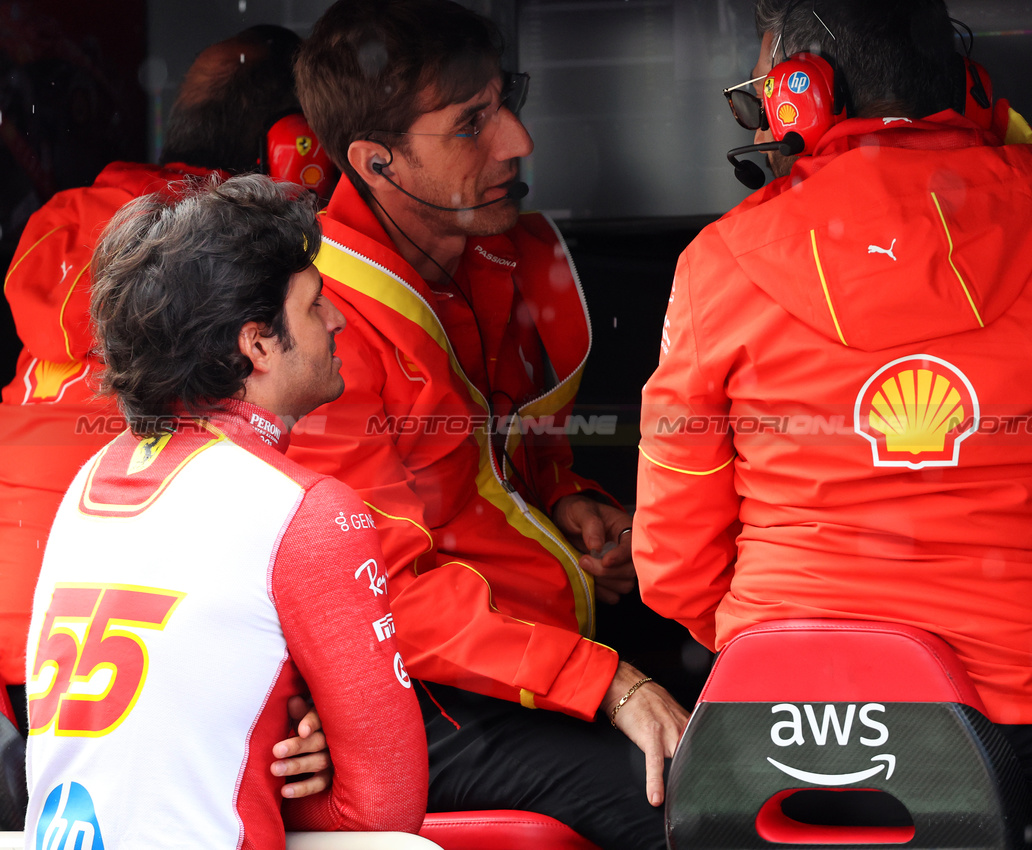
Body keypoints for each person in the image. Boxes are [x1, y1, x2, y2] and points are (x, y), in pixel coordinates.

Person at [633, 0, 1032, 841]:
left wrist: (794, 650)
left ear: (802, 94)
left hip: (774, 730)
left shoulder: (714, 266)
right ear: (967, 81)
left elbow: (673, 562)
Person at [291, 2, 686, 846]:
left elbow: (501, 465)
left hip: (528, 646)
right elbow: (382, 593)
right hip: (419, 691)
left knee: (746, 686)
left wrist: (570, 507)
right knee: (674, 802)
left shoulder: (487, 254)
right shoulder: (326, 331)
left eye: (508, 100)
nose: (517, 140)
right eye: (471, 122)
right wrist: (609, 684)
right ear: (376, 162)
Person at [24, 174, 428, 849]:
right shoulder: (301, 510)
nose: (337, 321)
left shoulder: (90, 480)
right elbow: (384, 808)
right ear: (257, 345)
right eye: (315, 304)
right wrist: (288, 778)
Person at [0, 28, 335, 790]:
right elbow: (327, 534)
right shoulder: (262, 285)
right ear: (297, 148)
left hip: (30, 683)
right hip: (142, 682)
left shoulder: (69, 229)